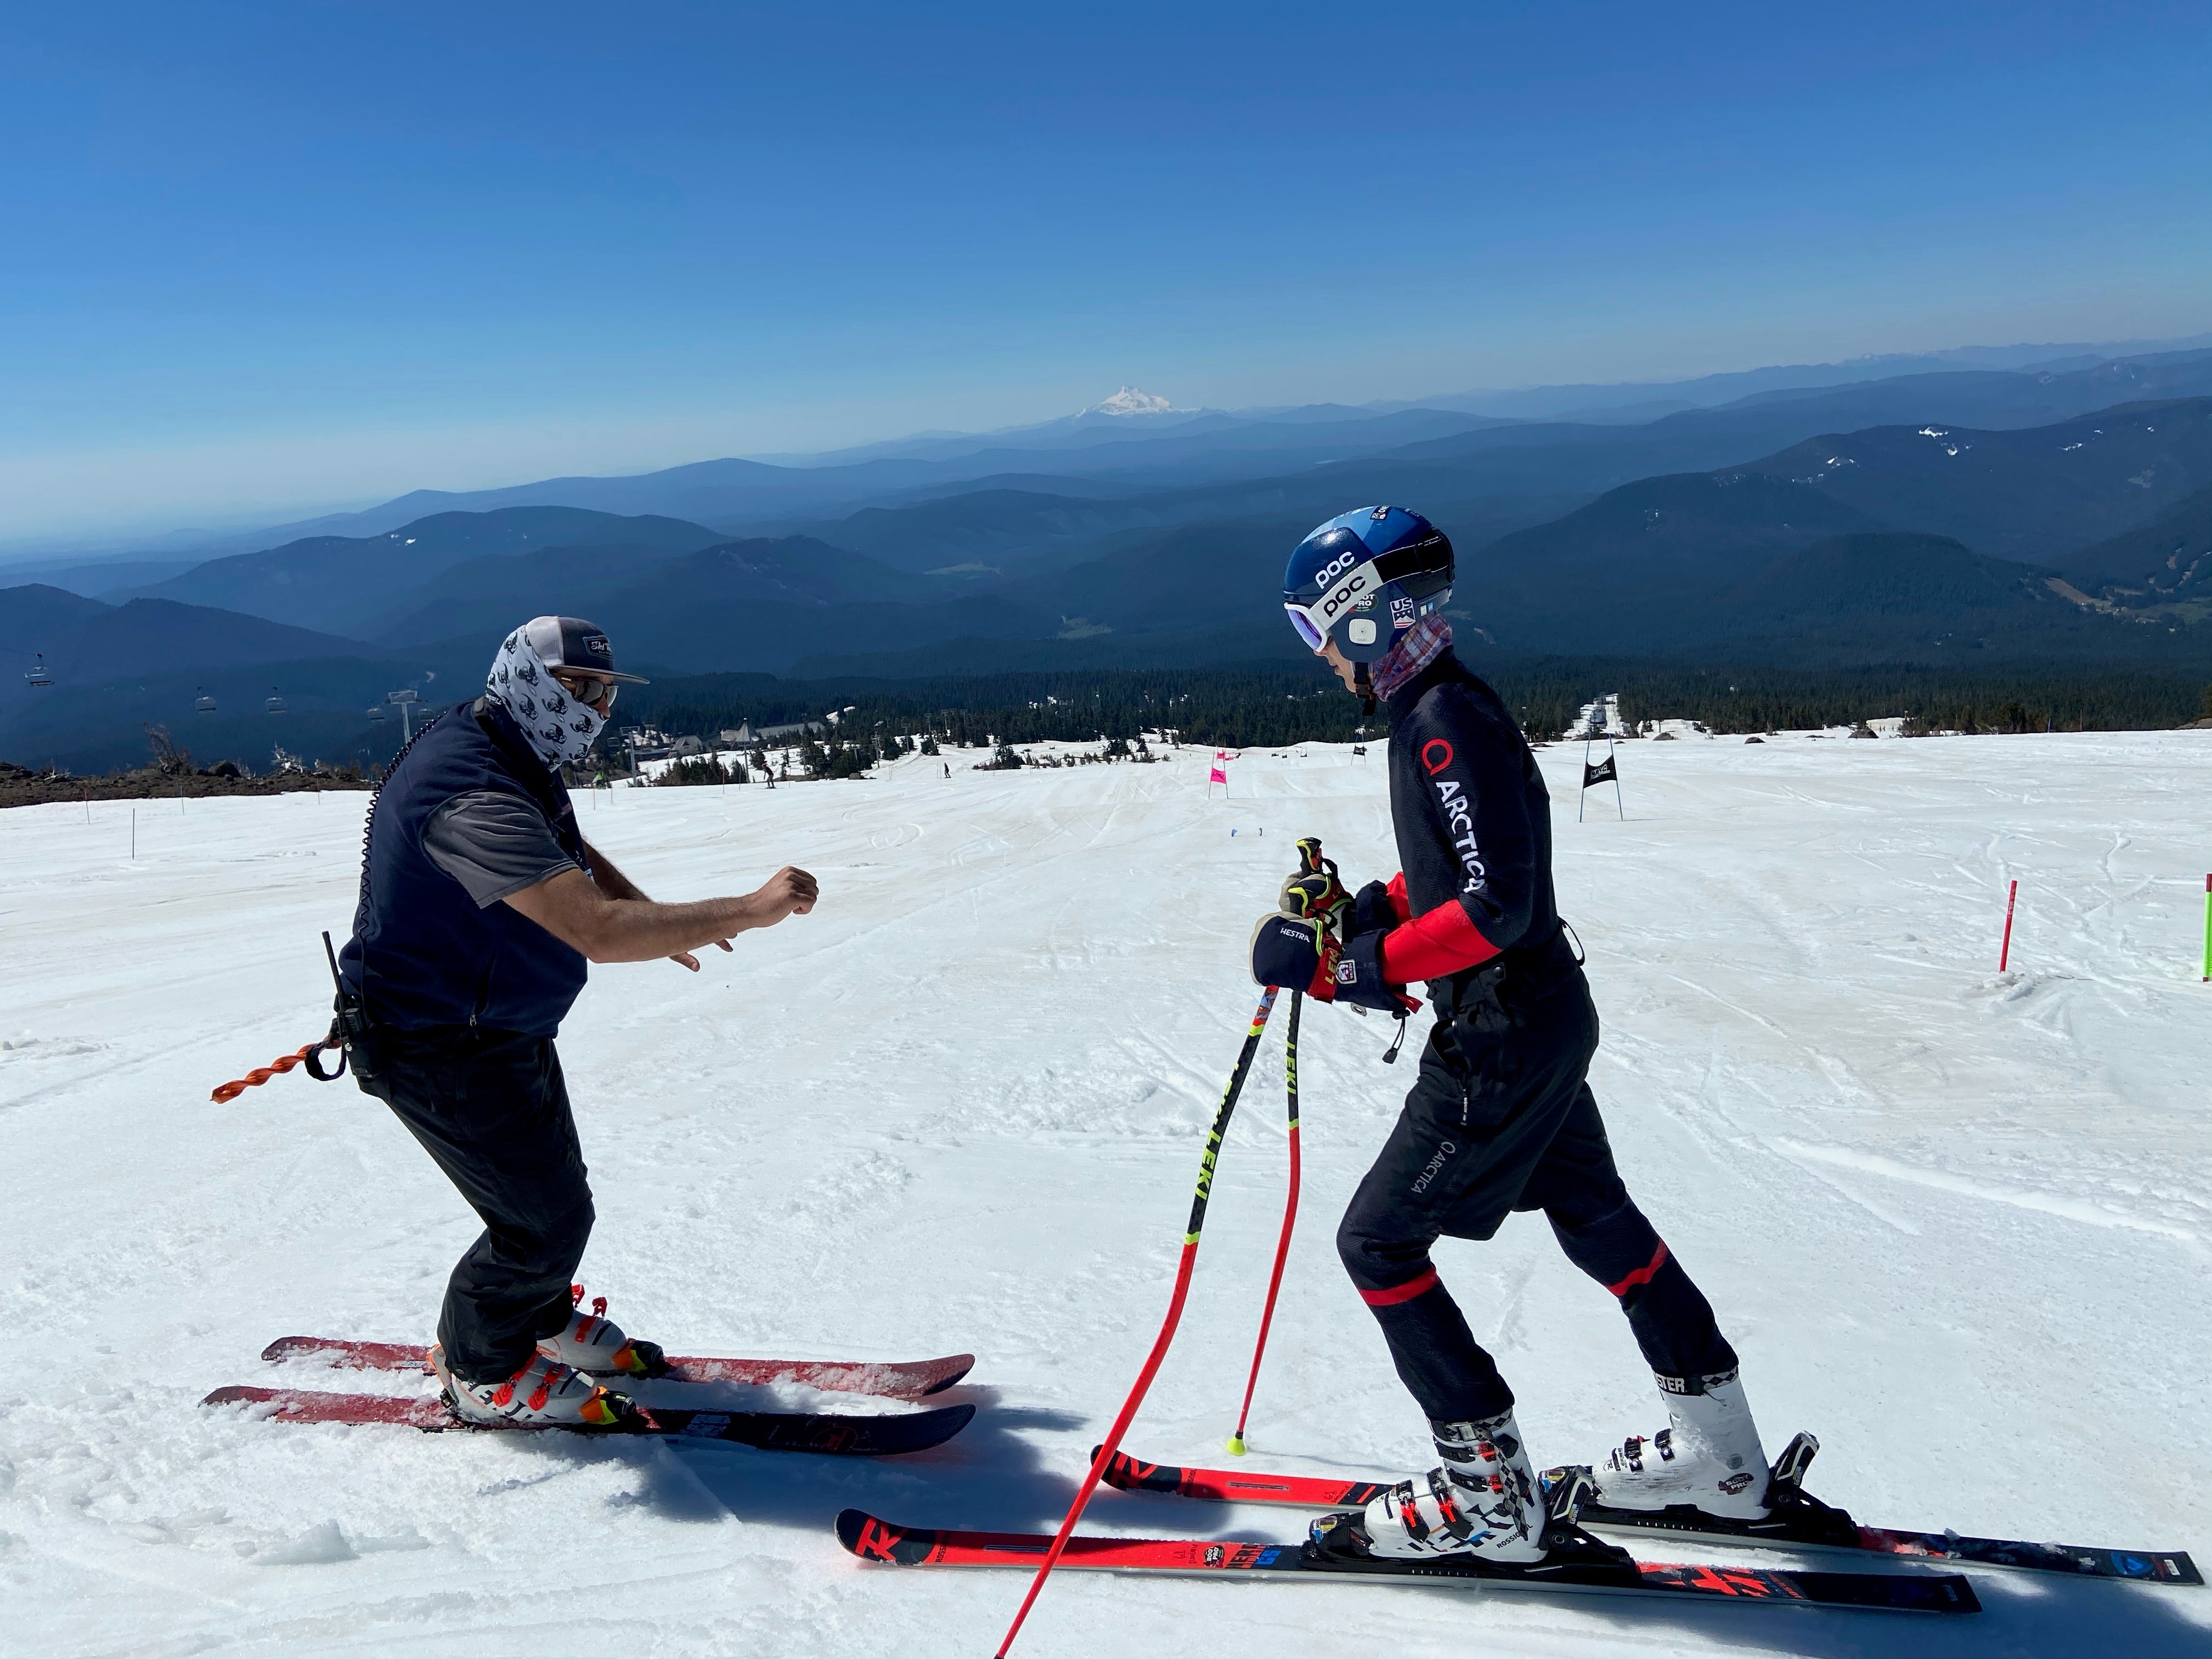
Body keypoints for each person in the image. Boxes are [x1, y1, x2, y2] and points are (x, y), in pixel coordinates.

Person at [1249, 509, 1771, 1564]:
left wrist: (1346, 968)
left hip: (1500, 1034)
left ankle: (1490, 1501)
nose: (1319, 659)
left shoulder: (1440, 718)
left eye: (1317, 633)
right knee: (1594, 1215)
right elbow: (1462, 873)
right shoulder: (1444, 707)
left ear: (1359, 621)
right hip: (1539, 1016)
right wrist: (1366, 910)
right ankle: (1722, 1463)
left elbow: (1496, 909)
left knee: (1379, 1244)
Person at [337, 617, 818, 1426]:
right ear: (523, 678)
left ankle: (536, 1323)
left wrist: (643, 912)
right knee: (540, 1223)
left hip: (493, 1026)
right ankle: (481, 1369)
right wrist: (747, 909)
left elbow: (563, 845)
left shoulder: (502, 740)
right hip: (435, 1043)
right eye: (576, 690)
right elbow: (591, 931)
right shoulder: (469, 788)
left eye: (604, 693)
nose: (595, 709)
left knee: (555, 1195)